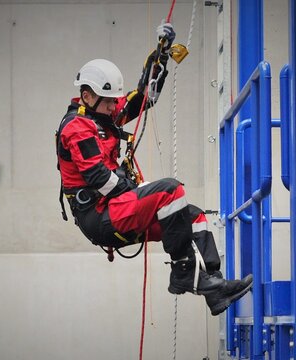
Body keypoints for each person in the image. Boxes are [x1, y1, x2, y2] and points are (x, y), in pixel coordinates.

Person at [55, 22, 252, 316]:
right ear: (87, 96)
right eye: (109, 102)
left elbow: (144, 99)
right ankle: (183, 273)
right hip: (100, 216)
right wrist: (136, 195)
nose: (114, 107)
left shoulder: (102, 117)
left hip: (116, 209)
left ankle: (212, 283)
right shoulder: (77, 128)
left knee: (193, 215)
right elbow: (98, 177)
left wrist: (159, 58)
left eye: (113, 101)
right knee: (171, 190)